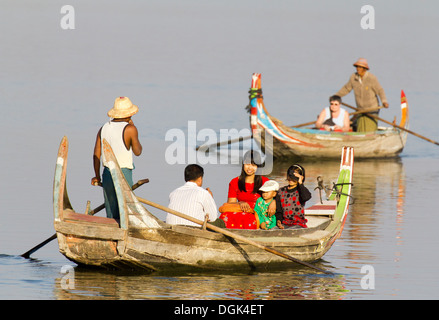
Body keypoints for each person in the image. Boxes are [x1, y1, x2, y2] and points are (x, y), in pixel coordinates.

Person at [91, 96, 143, 220]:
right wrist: (135, 130)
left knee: (111, 214)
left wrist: (97, 176)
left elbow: (96, 155)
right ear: (130, 114)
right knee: (126, 212)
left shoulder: (103, 128)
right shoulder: (130, 129)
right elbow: (138, 151)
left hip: (107, 174)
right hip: (123, 174)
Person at [219, 150, 273, 229]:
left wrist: (273, 203)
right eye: (247, 164)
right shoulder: (234, 182)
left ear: (258, 166)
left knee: (249, 221)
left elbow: (273, 197)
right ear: (243, 164)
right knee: (224, 217)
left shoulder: (265, 181)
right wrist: (240, 203)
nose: (250, 168)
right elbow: (231, 203)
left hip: (258, 213)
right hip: (240, 211)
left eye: (254, 165)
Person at [334, 58, 389, 132]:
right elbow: (346, 88)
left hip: (372, 109)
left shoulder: (371, 78)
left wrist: (384, 101)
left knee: (370, 130)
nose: (357, 69)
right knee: (360, 129)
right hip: (360, 110)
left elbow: (380, 90)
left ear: (365, 69)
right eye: (357, 67)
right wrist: (336, 96)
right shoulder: (353, 77)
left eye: (360, 67)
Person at [275, 164, 312, 229]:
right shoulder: (281, 191)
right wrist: (279, 221)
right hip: (285, 223)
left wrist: (300, 183)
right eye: (290, 176)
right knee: (273, 230)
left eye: (294, 177)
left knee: (291, 230)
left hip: (298, 224)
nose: (291, 179)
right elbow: (279, 210)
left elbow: (306, 197)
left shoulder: (301, 190)